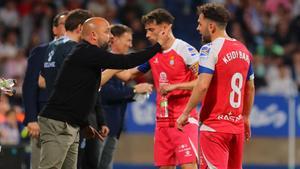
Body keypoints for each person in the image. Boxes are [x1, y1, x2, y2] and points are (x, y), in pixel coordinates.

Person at [37, 17, 168, 169]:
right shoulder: (87, 52)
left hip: (70, 123)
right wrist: (157, 46)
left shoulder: (87, 56)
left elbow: (79, 94)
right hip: (58, 123)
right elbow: (125, 62)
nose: (110, 36)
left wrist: (84, 124)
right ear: (93, 35)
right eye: (107, 32)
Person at [104, 8, 200, 169]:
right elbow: (128, 75)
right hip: (162, 122)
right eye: (146, 30)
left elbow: (202, 82)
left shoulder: (185, 50)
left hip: (183, 119)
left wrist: (175, 86)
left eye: (151, 30)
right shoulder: (153, 53)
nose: (147, 35)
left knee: (188, 166)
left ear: (166, 28)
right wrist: (105, 61)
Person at [177, 3, 255, 169]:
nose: (198, 28)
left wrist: (185, 113)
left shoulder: (209, 49)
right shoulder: (244, 50)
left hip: (214, 128)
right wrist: (246, 117)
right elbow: (250, 87)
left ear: (211, 26)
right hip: (236, 128)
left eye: (200, 23)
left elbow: (202, 85)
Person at [99, 24, 153, 169]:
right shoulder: (104, 61)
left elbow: (120, 92)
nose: (130, 44)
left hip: (114, 127)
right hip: (101, 125)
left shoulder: (120, 63)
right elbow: (105, 94)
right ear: (114, 39)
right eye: (127, 40)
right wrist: (134, 90)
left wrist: (135, 93)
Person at [22, 11, 68, 169]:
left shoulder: (78, 52)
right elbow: (29, 86)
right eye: (64, 24)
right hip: (43, 118)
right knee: (39, 164)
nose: (68, 28)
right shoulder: (41, 51)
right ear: (54, 29)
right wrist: (31, 118)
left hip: (70, 119)